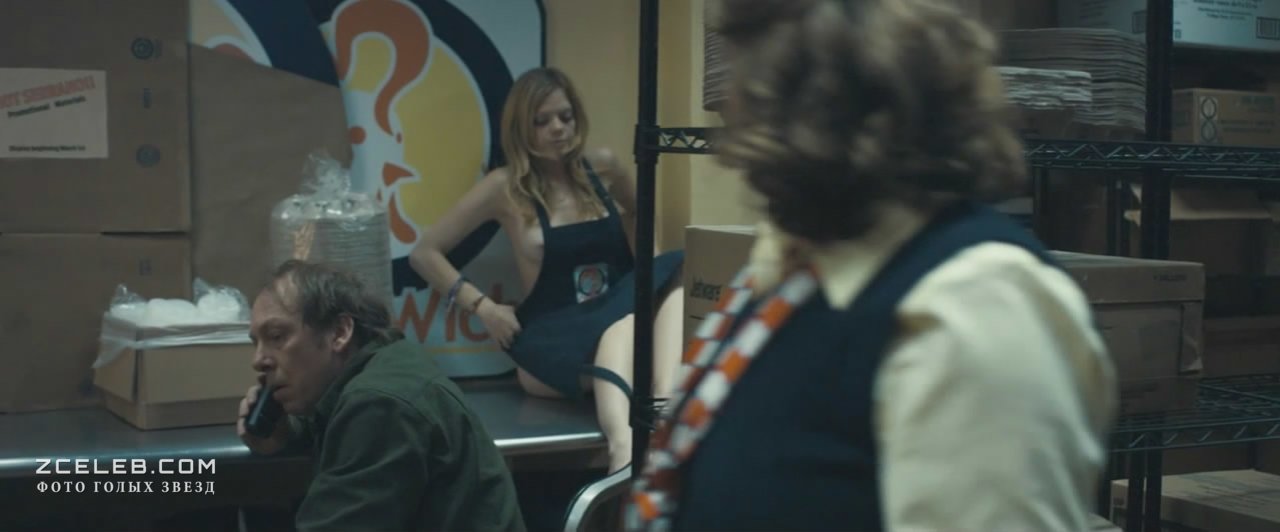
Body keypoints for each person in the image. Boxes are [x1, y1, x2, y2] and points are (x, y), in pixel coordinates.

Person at [627, 0, 1118, 530]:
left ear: (814, 95)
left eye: (748, 61)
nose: (734, 101)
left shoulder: (979, 306)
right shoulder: (798, 260)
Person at [409, 67, 686, 475]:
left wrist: (651, 273)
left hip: (617, 312)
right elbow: (424, 253)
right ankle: (624, 453)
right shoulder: (504, 186)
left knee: (675, 266)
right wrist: (484, 307)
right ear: (522, 129)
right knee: (622, 328)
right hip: (554, 332)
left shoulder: (604, 167)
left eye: (565, 116)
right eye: (542, 121)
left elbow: (638, 213)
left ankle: (667, 412)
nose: (558, 128)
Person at [237, 259, 525, 532]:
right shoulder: (380, 363)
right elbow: (331, 420)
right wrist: (287, 433)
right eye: (256, 343)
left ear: (339, 332)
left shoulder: (379, 403)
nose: (258, 360)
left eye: (276, 336)